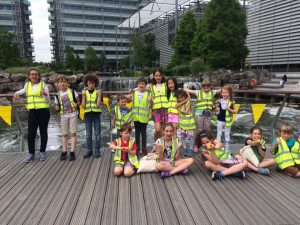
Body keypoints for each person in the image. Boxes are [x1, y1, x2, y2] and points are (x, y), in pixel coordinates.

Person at [14, 68, 50, 162]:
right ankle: (31, 153)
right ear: (29, 76)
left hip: (43, 111)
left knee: (43, 132)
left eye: (36, 74)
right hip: (32, 112)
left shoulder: (43, 85)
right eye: (32, 74)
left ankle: (42, 152)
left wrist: (45, 94)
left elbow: (48, 101)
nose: (34, 76)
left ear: (38, 76)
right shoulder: (27, 85)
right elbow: (19, 92)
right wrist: (16, 94)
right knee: (31, 133)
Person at [185, 80, 220, 153]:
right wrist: (185, 90)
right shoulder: (198, 92)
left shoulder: (212, 92)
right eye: (205, 88)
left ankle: (209, 145)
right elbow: (188, 90)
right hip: (199, 114)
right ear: (202, 87)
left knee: (207, 130)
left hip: (208, 114)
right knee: (199, 130)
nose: (206, 89)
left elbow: (221, 90)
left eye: (208, 87)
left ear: (210, 87)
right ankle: (196, 146)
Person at [54, 75, 80, 161]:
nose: (62, 83)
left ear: (67, 83)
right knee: (64, 134)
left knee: (73, 133)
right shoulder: (57, 95)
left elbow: (78, 100)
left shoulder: (72, 91)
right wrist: (56, 108)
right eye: (60, 82)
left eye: (64, 81)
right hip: (63, 116)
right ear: (58, 84)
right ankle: (64, 151)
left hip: (73, 114)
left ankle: (72, 151)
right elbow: (56, 105)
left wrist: (76, 104)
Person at [81, 74, 102, 158]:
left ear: (95, 84)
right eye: (89, 83)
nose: (91, 85)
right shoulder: (84, 92)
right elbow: (83, 106)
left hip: (96, 114)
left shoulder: (98, 92)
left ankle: (97, 151)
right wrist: (83, 96)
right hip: (87, 114)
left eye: (93, 83)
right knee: (88, 134)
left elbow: (98, 105)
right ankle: (89, 150)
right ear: (87, 83)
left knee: (97, 133)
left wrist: (99, 95)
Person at [130, 78, 151, 155]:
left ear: (145, 85)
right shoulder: (134, 93)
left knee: (144, 133)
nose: (141, 85)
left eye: (143, 84)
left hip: (144, 117)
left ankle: (144, 148)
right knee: (137, 133)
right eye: (139, 84)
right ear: (137, 85)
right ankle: (137, 148)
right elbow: (130, 99)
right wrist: (132, 91)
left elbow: (150, 104)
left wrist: (150, 101)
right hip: (136, 117)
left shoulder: (148, 93)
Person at [216, 85, 237, 153]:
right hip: (219, 120)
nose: (224, 94)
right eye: (223, 92)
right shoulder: (219, 101)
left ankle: (227, 148)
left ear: (229, 93)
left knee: (227, 134)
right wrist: (216, 109)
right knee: (219, 133)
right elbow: (216, 109)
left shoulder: (231, 102)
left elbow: (235, 111)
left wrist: (229, 109)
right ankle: (218, 146)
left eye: (226, 93)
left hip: (228, 121)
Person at [150, 69, 168, 140]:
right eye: (156, 76)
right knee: (158, 129)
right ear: (154, 76)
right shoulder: (151, 86)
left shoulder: (166, 84)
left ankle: (162, 144)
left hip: (165, 109)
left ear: (162, 76)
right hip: (156, 110)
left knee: (163, 128)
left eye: (159, 75)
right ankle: (157, 138)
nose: (158, 77)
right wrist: (132, 90)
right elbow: (141, 87)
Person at [176, 89, 195, 156]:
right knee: (182, 137)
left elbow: (186, 112)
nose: (180, 99)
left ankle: (191, 149)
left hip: (189, 125)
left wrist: (179, 109)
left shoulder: (188, 103)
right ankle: (184, 149)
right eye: (179, 98)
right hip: (181, 124)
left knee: (190, 138)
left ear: (185, 97)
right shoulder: (179, 104)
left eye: (182, 97)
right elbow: (176, 106)